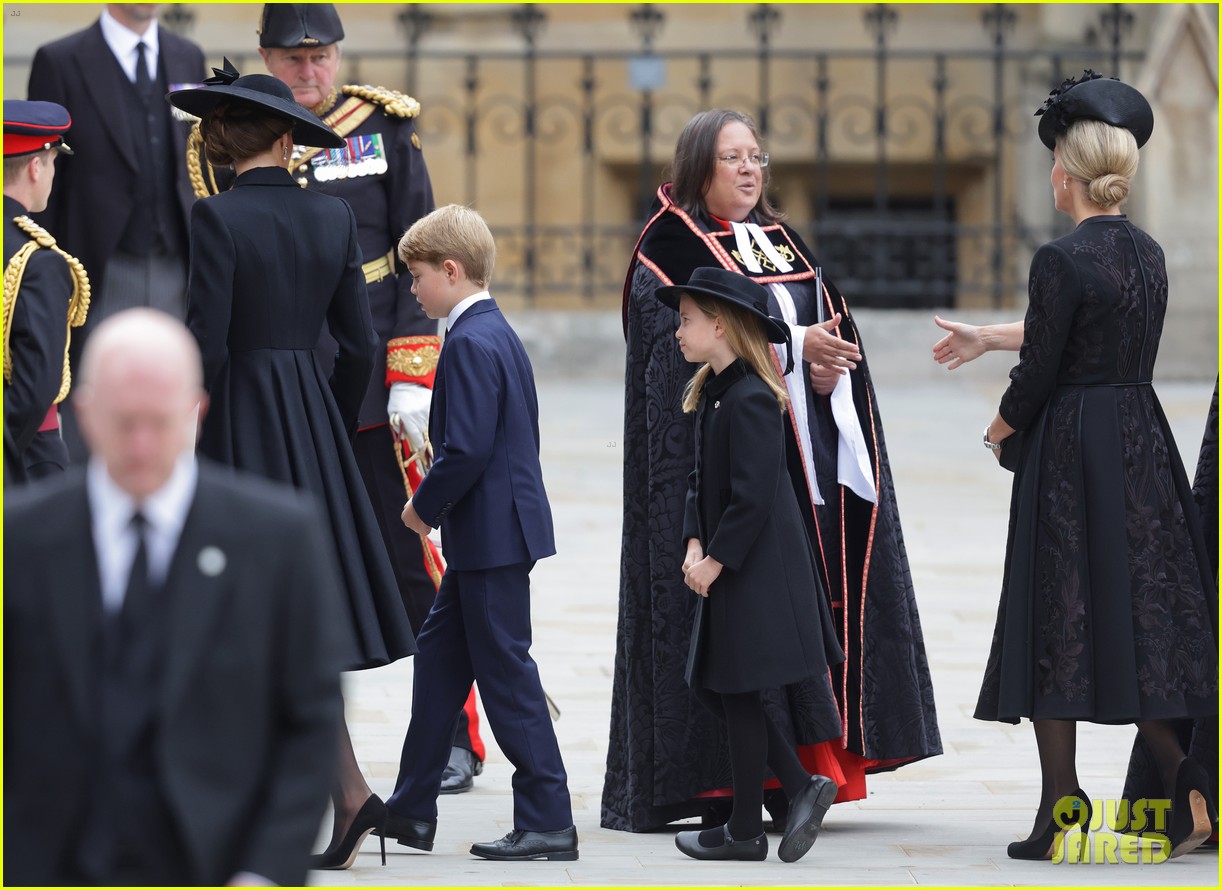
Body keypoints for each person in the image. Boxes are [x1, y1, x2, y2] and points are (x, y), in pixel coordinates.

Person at [607, 108, 942, 833]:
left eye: (756, 156)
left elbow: (830, 327)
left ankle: (809, 769)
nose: (750, 169)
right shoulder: (668, 243)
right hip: (730, 458)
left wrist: (830, 370)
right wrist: (795, 347)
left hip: (806, 449)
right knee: (737, 630)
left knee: (786, 615)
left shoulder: (779, 238)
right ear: (700, 166)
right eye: (732, 158)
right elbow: (678, 347)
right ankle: (739, 782)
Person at [168, 64, 416, 871]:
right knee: (274, 621)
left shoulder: (216, 219)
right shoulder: (331, 218)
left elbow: (202, 345)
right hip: (310, 416)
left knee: (240, 615)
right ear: (285, 140)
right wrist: (329, 418)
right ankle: (340, 796)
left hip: (238, 416)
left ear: (226, 146)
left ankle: (289, 800)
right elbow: (359, 346)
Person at [3, 308, 345, 886]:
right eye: (123, 422)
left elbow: (308, 725)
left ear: (196, 412)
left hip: (213, 864)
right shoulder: (22, 539)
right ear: (84, 414)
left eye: (159, 423)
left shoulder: (276, 538)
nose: (140, 445)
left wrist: (264, 871)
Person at [239, 1, 487, 794]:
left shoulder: (381, 128)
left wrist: (415, 368)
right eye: (291, 61)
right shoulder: (232, 132)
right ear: (265, 58)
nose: (309, 74)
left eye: (322, 59)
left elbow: (427, 248)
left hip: (378, 381)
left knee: (410, 554)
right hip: (281, 382)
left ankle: (454, 734)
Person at [972, 71, 1217, 860]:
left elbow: (1042, 368)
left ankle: (1060, 812)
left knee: (1058, 616)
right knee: (1138, 620)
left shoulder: (1059, 258)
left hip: (1073, 450)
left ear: (1063, 176)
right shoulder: (1147, 252)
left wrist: (1001, 428)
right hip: (1142, 444)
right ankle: (1188, 792)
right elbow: (1098, 335)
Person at [379, 204, 577, 861]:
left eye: (418, 276)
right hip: (491, 535)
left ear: (451, 271)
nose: (412, 289)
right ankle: (411, 810)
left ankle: (548, 817)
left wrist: (420, 510)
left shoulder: (466, 340)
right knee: (438, 666)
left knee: (506, 676)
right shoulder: (496, 331)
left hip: (489, 537)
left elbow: (464, 450)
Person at [659, 267, 843, 862]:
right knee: (719, 688)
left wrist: (715, 560)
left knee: (731, 690)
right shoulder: (714, 392)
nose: (677, 331)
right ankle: (785, 795)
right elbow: (698, 481)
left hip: (757, 568)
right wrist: (692, 543)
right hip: (728, 563)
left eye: (685, 320)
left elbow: (754, 496)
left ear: (719, 324)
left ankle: (751, 822)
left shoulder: (754, 398)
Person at [28, 5, 206, 460]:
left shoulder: (187, 54)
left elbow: (199, 160)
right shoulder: (61, 59)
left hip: (177, 261)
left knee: (173, 395)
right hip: (96, 268)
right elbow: (47, 176)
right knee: (97, 400)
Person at [2, 99, 90, 480]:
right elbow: (37, 386)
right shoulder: (38, 262)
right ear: (36, 167)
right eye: (53, 162)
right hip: (23, 455)